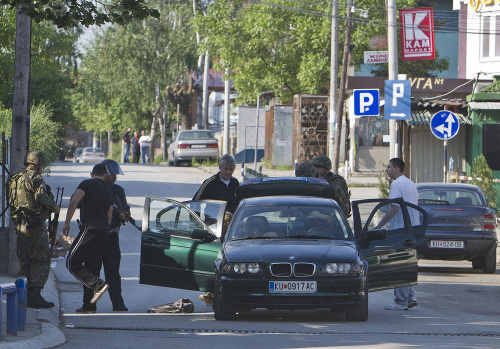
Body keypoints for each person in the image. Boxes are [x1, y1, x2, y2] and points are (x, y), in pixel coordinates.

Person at [10, 151, 60, 308]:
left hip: (20, 223)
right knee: (40, 259)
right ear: (38, 164)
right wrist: (55, 207)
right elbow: (40, 197)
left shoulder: (16, 178)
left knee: (25, 259)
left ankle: (23, 294)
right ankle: (35, 295)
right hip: (35, 224)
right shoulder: (35, 177)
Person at [62, 164, 114, 313]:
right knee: (92, 268)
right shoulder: (109, 191)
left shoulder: (87, 183)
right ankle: (89, 306)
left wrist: (66, 223)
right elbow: (110, 215)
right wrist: (104, 228)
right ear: (105, 175)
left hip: (90, 229)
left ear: (92, 174)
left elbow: (74, 201)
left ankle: (98, 285)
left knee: (72, 262)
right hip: (104, 232)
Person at [375, 158, 419, 311]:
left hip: (400, 230)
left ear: (397, 169)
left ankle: (400, 301)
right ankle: (410, 297)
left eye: (389, 167)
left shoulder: (396, 184)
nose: (386, 170)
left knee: (398, 264)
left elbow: (394, 209)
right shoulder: (410, 183)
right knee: (407, 264)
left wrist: (378, 226)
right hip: (412, 229)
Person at [101, 159, 130, 312]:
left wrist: (124, 215)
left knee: (113, 272)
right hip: (95, 236)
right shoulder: (92, 187)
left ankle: (118, 303)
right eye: (112, 175)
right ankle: (89, 304)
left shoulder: (118, 190)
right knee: (91, 271)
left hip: (112, 236)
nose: (115, 178)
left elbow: (125, 208)